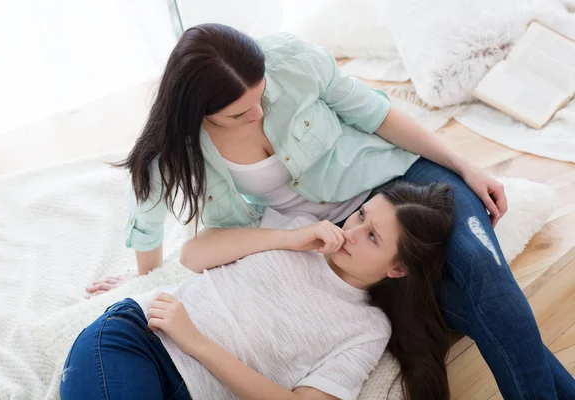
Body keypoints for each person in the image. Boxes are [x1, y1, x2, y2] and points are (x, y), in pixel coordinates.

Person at [85, 24, 575, 398]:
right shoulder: (173, 154)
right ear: (197, 112)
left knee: (483, 273)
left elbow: (376, 114)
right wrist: (141, 281)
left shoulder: (290, 62)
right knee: (463, 306)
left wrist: (463, 164)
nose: (259, 114)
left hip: (402, 182)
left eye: (262, 97)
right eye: (239, 113)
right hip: (343, 235)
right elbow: (149, 220)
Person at [64, 182, 454, 400]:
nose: (350, 232)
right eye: (361, 214)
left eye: (371, 236)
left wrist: (198, 343)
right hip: (143, 340)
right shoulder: (301, 228)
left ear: (397, 268)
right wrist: (289, 236)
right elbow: (194, 255)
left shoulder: (368, 328)